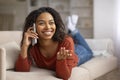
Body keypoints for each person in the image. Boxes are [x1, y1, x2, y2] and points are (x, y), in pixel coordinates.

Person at [15, 7, 78, 80]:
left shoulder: (66, 42)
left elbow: (64, 76)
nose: (48, 27)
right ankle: (73, 29)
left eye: (51, 23)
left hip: (78, 55)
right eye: (41, 23)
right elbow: (22, 70)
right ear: (33, 27)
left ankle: (74, 30)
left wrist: (61, 60)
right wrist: (25, 46)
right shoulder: (32, 45)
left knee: (88, 51)